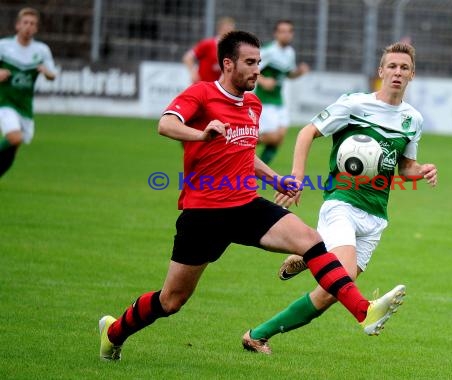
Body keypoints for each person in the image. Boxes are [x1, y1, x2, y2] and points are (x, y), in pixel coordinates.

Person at [98, 31, 401, 361]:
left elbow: (243, 152)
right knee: (172, 300)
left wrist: (276, 178)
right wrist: (201, 133)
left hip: (245, 205)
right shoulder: (201, 94)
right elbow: (166, 124)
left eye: (259, 62)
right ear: (228, 64)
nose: (258, 70)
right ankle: (113, 333)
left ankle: (364, 311)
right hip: (204, 214)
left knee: (310, 240)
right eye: (250, 63)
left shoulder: (253, 104)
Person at [242, 42, 438, 354]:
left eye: (404, 68)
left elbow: (404, 167)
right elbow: (308, 132)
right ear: (380, 71)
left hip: (376, 216)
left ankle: (258, 334)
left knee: (330, 293)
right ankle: (367, 312)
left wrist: (422, 170)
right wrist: (296, 175)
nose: (397, 73)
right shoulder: (354, 104)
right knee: (343, 277)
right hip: (342, 202)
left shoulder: (412, 120)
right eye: (392, 67)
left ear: (412, 74)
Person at [0, 7, 56, 178]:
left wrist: (46, 72)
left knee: (13, 148)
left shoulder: (41, 50)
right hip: (4, 101)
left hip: (24, 105)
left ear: (36, 28)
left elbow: (52, 74)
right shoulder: (4, 46)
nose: (29, 27)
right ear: (17, 25)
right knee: (14, 138)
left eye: (32, 24)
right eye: (25, 23)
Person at [255, 19, 309, 164]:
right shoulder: (268, 50)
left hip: (279, 99)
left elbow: (288, 74)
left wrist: (299, 72)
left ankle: (253, 174)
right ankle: (238, 141)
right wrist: (263, 81)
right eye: (282, 31)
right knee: (272, 137)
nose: (286, 34)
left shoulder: (290, 52)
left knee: (279, 139)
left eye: (289, 31)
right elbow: (252, 69)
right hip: (264, 100)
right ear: (276, 33)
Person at [182, 17, 235, 83]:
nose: (228, 33)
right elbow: (188, 57)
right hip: (202, 85)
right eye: (226, 29)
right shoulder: (208, 44)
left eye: (231, 30)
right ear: (220, 30)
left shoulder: (232, 50)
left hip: (217, 88)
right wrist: (193, 72)